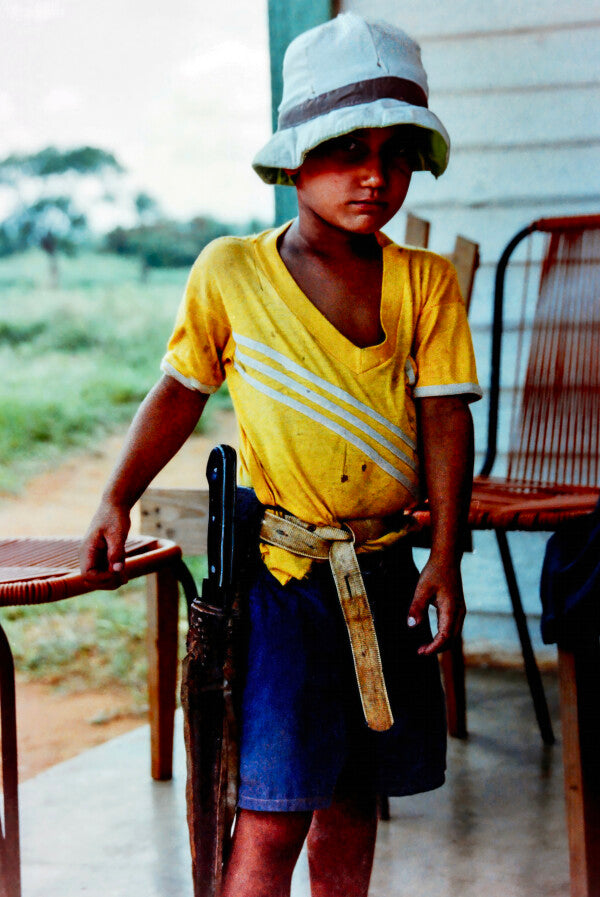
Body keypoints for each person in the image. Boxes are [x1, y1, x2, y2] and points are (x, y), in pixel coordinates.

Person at [81, 12, 482, 897]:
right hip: (285, 583)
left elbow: (447, 418)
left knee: (352, 798)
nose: (374, 175)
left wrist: (446, 553)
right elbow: (180, 392)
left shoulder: (425, 283)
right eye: (346, 149)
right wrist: (116, 495)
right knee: (269, 811)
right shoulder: (231, 273)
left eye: (396, 151)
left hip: (385, 576)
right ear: (293, 158)